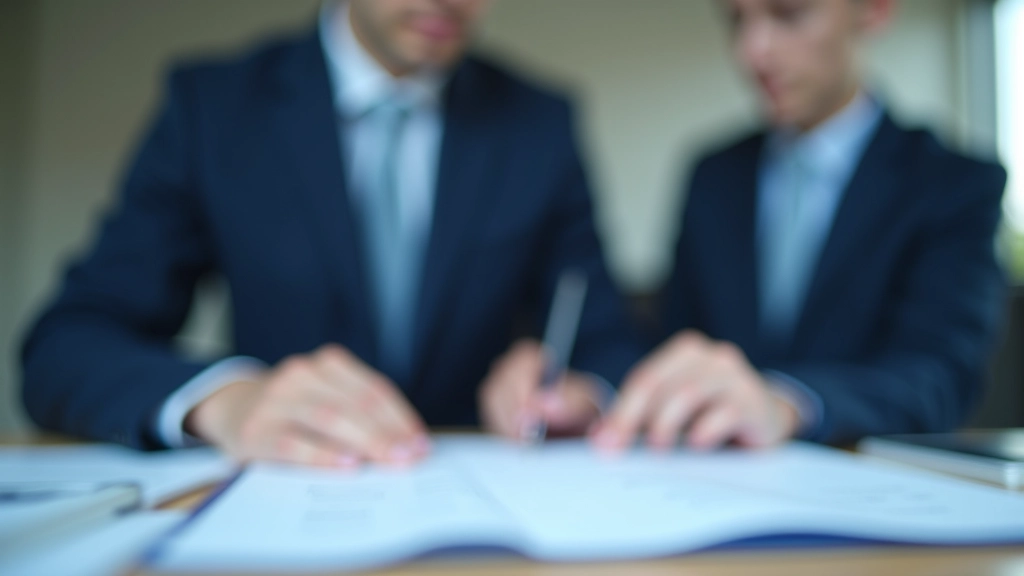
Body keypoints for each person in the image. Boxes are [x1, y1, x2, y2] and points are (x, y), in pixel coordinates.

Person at [21, 0, 641, 467]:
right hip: (284, 507)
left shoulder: (539, 122)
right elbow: (67, 343)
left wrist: (580, 391)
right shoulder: (214, 108)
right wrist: (226, 401)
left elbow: (607, 341)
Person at [593, 0, 1007, 451]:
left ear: (874, 10)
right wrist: (597, 391)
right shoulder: (713, 177)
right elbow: (677, 344)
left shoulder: (952, 184)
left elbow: (939, 377)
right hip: (713, 476)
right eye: (737, 21)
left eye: (788, 14)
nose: (752, 53)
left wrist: (788, 402)